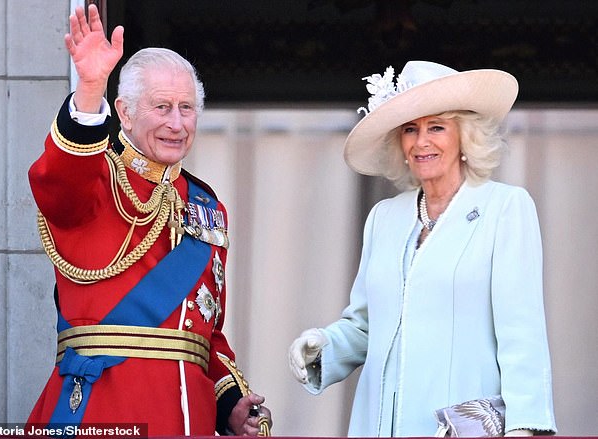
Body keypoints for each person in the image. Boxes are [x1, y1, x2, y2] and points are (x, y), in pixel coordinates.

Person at [27, 5, 271, 436]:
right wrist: (88, 88)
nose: (176, 123)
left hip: (189, 421)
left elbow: (204, 335)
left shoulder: (206, 206)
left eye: (186, 108)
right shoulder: (96, 179)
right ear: (124, 111)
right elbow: (58, 180)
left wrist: (230, 405)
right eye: (161, 107)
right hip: (102, 411)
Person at [288, 61, 557, 437]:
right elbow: (366, 325)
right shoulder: (385, 217)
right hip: (379, 426)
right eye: (410, 129)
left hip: (461, 429)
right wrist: (324, 345)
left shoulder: (505, 208)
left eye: (436, 127)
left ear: (465, 135)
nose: (421, 141)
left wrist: (524, 428)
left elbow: (522, 334)